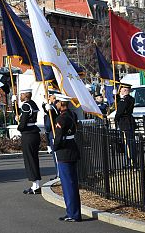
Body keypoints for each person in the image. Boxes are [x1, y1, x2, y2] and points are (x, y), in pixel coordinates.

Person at [53, 94, 81, 222]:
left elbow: (58, 137)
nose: (55, 103)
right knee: (72, 184)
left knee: (68, 185)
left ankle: (73, 214)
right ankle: (73, 212)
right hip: (72, 148)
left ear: (61, 103)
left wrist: (54, 148)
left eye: (56, 102)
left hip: (64, 151)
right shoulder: (72, 114)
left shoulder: (61, 118)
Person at [15, 87, 41, 194]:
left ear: (25, 95)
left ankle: (35, 186)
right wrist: (14, 105)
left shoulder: (26, 105)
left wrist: (19, 124)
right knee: (34, 159)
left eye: (20, 95)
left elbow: (23, 123)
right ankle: (36, 184)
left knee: (30, 160)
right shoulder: (33, 103)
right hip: (34, 133)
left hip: (28, 134)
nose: (20, 97)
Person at [114, 82, 137, 167]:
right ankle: (132, 161)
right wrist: (116, 96)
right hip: (129, 121)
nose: (122, 91)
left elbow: (120, 111)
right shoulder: (131, 99)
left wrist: (116, 118)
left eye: (123, 90)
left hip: (125, 123)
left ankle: (130, 162)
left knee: (128, 143)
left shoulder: (124, 100)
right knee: (131, 142)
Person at [42, 91, 60, 180]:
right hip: (52, 134)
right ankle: (59, 173)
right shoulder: (50, 107)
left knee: (56, 156)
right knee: (55, 156)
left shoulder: (53, 107)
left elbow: (48, 125)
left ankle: (59, 174)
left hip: (54, 133)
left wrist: (48, 109)